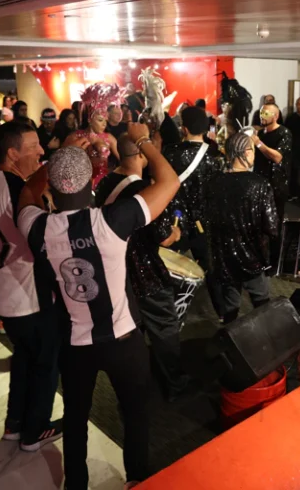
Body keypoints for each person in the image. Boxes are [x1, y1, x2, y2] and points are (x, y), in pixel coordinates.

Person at [15, 121, 179, 490]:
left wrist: (60, 157)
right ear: (91, 182)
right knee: (135, 415)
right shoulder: (113, 219)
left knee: (75, 419)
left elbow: (27, 191)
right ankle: (136, 479)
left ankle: (76, 483)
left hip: (75, 346)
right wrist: (142, 140)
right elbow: (169, 181)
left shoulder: (37, 228)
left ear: (52, 189)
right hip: (124, 341)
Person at [0, 121, 63, 451]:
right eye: (34, 146)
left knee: (24, 358)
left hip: (1, 292)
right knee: (45, 364)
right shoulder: (16, 191)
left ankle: (15, 423)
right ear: (12, 153)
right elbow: (40, 239)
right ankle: (34, 430)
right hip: (27, 294)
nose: (41, 151)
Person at [96, 135, 189, 401]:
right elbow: (163, 236)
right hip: (144, 272)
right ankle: (174, 385)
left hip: (117, 271)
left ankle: (140, 380)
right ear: (141, 155)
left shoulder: (105, 182)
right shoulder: (141, 189)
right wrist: (175, 233)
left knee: (135, 329)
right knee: (165, 327)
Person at [205, 133, 278, 323]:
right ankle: (265, 336)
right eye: (253, 150)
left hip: (223, 256)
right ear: (246, 152)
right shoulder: (260, 184)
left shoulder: (213, 183)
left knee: (231, 306)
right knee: (262, 302)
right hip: (252, 257)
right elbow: (271, 227)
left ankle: (231, 337)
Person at [161, 107, 222, 316]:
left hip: (175, 220)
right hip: (203, 221)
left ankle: (166, 311)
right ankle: (222, 312)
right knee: (210, 266)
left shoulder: (170, 152)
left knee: (167, 265)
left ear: (184, 128)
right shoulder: (214, 155)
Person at [252, 103, 291, 242]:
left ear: (276, 116)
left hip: (277, 185)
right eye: (261, 113)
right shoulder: (260, 133)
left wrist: (258, 143)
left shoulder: (284, 133)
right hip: (260, 182)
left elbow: (277, 157)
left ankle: (277, 249)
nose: (262, 116)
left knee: (275, 222)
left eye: (266, 113)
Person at [74, 84, 122, 189]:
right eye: (100, 120)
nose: (104, 124)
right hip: (81, 185)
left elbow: (124, 159)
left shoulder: (109, 138)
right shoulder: (75, 136)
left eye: (106, 120)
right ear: (89, 119)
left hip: (103, 185)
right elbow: (64, 162)